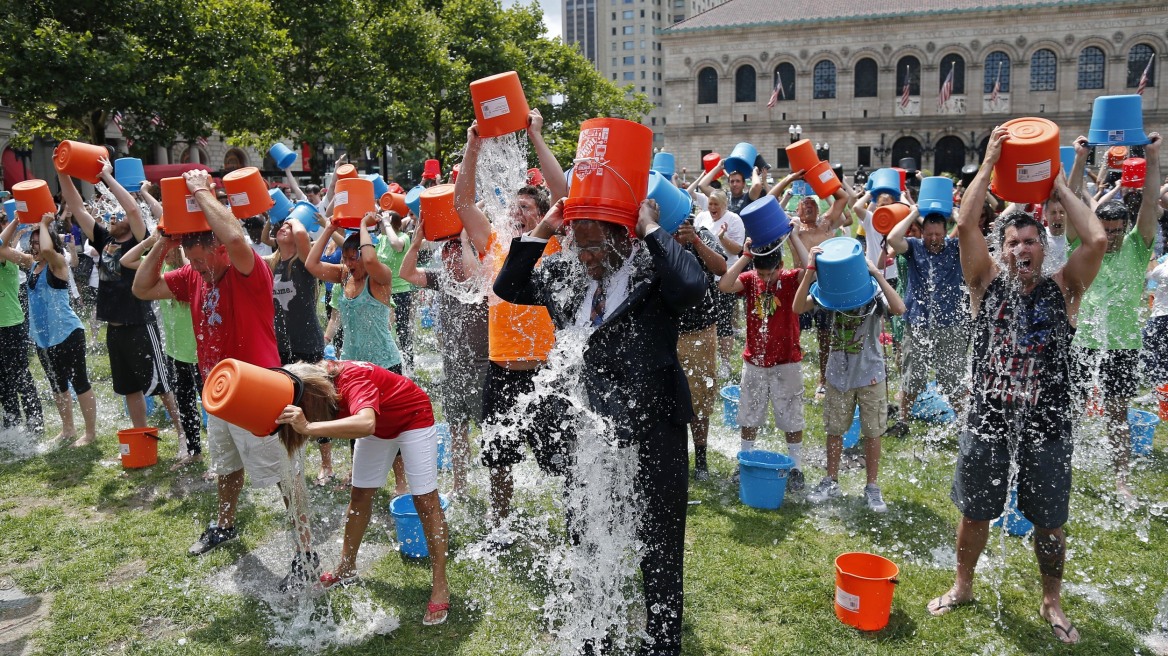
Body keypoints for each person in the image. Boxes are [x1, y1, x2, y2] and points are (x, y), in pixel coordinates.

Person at [494, 196, 705, 655]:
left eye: (594, 247)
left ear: (623, 238)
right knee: (587, 533)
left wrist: (650, 226)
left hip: (656, 426)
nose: (586, 257)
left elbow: (692, 287)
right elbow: (508, 285)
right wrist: (546, 228)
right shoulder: (566, 273)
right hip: (589, 431)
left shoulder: (653, 269)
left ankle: (662, 642)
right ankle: (595, 634)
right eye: (580, 246)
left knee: (660, 542)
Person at [926, 126, 1107, 646]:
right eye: (1013, 242)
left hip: (1047, 424)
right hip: (987, 417)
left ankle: (1051, 600)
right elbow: (965, 223)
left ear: (1042, 249)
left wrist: (1058, 185)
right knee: (975, 511)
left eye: (1030, 241)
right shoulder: (984, 283)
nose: (1022, 248)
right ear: (1001, 250)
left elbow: (1096, 239)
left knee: (1049, 523)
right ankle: (963, 585)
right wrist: (989, 163)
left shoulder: (1065, 288)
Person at [131, 169, 318, 592]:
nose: (195, 268)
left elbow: (235, 237)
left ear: (218, 250)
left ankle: (306, 551)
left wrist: (201, 191)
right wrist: (165, 241)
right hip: (218, 391)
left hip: (259, 390)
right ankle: (226, 524)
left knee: (284, 475)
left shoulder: (248, 270)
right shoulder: (193, 276)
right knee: (227, 464)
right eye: (191, 261)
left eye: (200, 259)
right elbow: (142, 288)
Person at [456, 110, 570, 529]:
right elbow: (462, 204)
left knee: (563, 458)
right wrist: (472, 147)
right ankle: (500, 523)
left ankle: (574, 520)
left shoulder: (555, 243)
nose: (515, 212)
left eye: (525, 207)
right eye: (513, 206)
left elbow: (563, 193)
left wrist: (536, 136)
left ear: (543, 215)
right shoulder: (496, 243)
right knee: (497, 457)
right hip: (501, 369)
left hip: (547, 372)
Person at [275, 359, 450, 626]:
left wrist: (308, 427)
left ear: (314, 393)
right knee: (359, 497)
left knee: (425, 502)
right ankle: (347, 567)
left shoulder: (353, 380)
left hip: (413, 418)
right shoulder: (320, 382)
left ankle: (440, 585)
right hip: (379, 426)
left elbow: (366, 423)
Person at [57, 159, 180, 431]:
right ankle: (141, 436)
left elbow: (133, 209)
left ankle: (185, 436)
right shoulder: (104, 240)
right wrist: (62, 171)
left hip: (139, 323)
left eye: (117, 214)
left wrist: (106, 177)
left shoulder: (140, 239)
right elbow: (77, 207)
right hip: (114, 329)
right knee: (129, 389)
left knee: (161, 386)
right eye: (110, 215)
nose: (112, 218)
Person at [1071, 132, 1161, 497]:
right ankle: (1065, 470)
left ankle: (1121, 479)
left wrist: (1152, 157)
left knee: (1117, 412)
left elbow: (1150, 202)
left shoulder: (1138, 247)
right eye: (1105, 232)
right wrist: (1080, 160)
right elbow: (1070, 199)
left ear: (1126, 229)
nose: (1110, 238)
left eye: (1117, 232)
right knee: (1073, 410)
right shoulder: (1085, 247)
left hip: (1123, 344)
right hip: (1083, 341)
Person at [793, 233, 905, 513]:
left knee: (872, 432)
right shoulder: (831, 294)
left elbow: (899, 308)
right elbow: (797, 307)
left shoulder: (873, 294)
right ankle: (831, 480)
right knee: (835, 430)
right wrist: (810, 270)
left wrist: (876, 273)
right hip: (838, 375)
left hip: (871, 375)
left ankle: (872, 486)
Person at [308, 212, 408, 493]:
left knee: (390, 425)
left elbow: (372, 260)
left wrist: (364, 225)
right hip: (353, 366)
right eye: (346, 258)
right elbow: (312, 264)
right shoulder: (343, 277)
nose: (350, 264)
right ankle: (359, 478)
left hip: (385, 364)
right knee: (356, 426)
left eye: (354, 258)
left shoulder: (381, 277)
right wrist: (329, 228)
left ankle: (401, 484)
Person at [398, 223, 489, 495]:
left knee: (489, 432)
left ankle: (493, 490)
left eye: (455, 255)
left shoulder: (483, 279)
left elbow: (472, 276)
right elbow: (406, 274)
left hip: (482, 369)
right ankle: (460, 486)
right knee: (456, 429)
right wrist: (416, 242)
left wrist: (465, 239)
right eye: (446, 255)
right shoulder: (443, 280)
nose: (449, 262)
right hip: (453, 368)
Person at [718, 229, 810, 490]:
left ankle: (796, 467)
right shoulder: (750, 280)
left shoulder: (790, 279)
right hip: (755, 362)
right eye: (762, 274)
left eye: (771, 274)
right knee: (749, 414)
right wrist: (746, 256)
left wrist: (794, 238)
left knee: (791, 416)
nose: (766, 280)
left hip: (787, 361)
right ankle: (745, 459)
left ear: (781, 266)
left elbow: (809, 270)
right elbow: (724, 285)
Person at [1, 213, 93, 445]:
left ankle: (90, 433)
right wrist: (16, 221)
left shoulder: (57, 263)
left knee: (80, 383)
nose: (34, 247)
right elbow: (1, 248)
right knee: (57, 386)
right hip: (44, 339)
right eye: (31, 243)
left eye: (37, 242)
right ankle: (68, 429)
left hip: (68, 333)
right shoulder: (31, 264)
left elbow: (48, 250)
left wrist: (43, 224)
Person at [121, 232, 205, 469]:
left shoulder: (188, 270)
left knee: (210, 404)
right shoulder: (162, 271)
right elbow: (126, 261)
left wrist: (176, 240)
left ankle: (221, 460)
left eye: (167, 247)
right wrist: (153, 242)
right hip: (176, 352)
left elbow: (189, 267)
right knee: (185, 404)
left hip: (198, 352)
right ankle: (194, 452)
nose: (162, 252)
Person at [885, 204, 970, 436]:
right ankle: (903, 421)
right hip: (918, 323)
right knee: (912, 376)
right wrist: (914, 213)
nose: (934, 239)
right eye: (929, 234)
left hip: (951, 325)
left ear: (946, 232)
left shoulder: (955, 247)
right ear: (922, 233)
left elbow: (975, 238)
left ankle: (965, 425)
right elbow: (892, 238)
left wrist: (956, 215)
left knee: (953, 378)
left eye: (938, 234)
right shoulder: (914, 247)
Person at [773, 174, 853, 398]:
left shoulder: (826, 224)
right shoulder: (792, 227)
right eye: (804, 204)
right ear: (797, 210)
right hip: (800, 284)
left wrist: (820, 180)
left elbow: (843, 198)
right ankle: (786, 376)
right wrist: (789, 180)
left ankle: (823, 380)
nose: (809, 206)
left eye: (813, 204)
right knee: (790, 332)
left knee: (825, 334)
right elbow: (770, 201)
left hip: (826, 284)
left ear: (818, 209)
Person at [266, 216, 332, 483]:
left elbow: (303, 235)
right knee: (284, 402)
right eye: (281, 225)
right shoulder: (270, 264)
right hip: (280, 345)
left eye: (290, 226)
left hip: (307, 342)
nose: (285, 227)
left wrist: (294, 217)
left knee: (316, 403)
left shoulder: (305, 260)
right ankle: (291, 458)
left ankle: (326, 463)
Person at [673, 218, 727, 481]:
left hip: (700, 330)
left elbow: (721, 268)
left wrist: (694, 240)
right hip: (667, 328)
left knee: (700, 397)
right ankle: (675, 456)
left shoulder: (703, 234)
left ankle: (701, 460)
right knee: (668, 396)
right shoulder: (657, 235)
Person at [691, 189, 745, 380]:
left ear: (724, 205)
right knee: (705, 321)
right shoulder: (701, 217)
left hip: (725, 278)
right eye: (711, 204)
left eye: (716, 204)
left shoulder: (734, 220)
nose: (713, 208)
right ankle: (707, 360)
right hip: (703, 278)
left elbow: (737, 249)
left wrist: (722, 237)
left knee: (723, 322)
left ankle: (725, 363)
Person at [0, 216, 43, 434]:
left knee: (19, 375)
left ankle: (35, 421)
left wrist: (17, 220)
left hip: (10, 324)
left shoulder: (6, 254)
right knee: (2, 380)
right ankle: (12, 422)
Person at [377, 212, 418, 371]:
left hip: (400, 291)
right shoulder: (380, 239)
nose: (379, 225)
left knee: (402, 330)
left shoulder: (403, 237)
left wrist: (386, 222)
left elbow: (396, 245)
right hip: (382, 291)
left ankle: (409, 366)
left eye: (381, 223)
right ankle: (387, 363)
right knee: (383, 329)